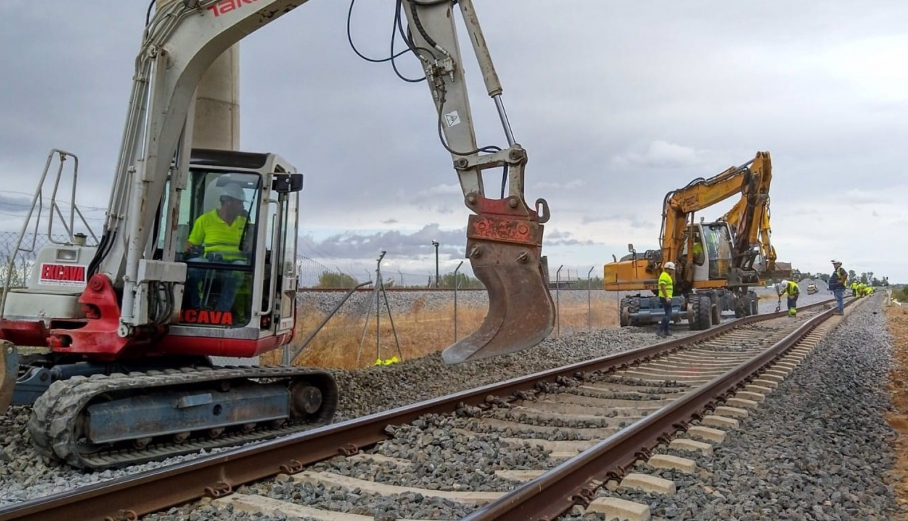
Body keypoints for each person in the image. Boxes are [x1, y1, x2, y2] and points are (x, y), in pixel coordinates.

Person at [185, 184, 249, 313]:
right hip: (210, 261)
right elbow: (191, 244)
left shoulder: (244, 221)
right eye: (239, 203)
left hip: (235, 263)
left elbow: (250, 244)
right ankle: (195, 307)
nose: (242, 206)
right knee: (191, 268)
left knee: (238, 272)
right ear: (228, 202)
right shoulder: (204, 220)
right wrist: (190, 248)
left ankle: (221, 312)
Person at [657, 262, 675, 338]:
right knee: (668, 314)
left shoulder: (667, 275)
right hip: (665, 297)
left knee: (668, 313)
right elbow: (663, 286)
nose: (672, 271)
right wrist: (666, 297)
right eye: (671, 269)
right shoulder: (664, 275)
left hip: (666, 297)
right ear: (667, 269)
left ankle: (666, 331)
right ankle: (660, 331)